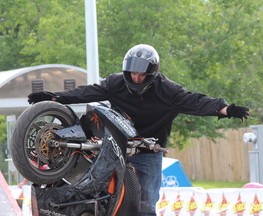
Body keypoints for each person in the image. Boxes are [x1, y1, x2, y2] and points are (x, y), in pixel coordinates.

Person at [27, 44, 249, 215]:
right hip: (115, 147)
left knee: (146, 202)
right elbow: (89, 91)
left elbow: (195, 101)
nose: (136, 77)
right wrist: (55, 97)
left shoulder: (168, 91)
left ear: (152, 73)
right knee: (91, 186)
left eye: (141, 74)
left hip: (147, 152)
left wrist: (226, 109)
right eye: (132, 73)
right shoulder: (117, 83)